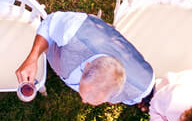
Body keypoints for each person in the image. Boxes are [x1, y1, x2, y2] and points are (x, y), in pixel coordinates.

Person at [15, 10, 155, 106]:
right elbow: (49, 23)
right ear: (87, 65)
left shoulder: (140, 87)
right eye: (85, 95)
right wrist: (33, 58)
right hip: (58, 49)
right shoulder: (74, 31)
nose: (83, 101)